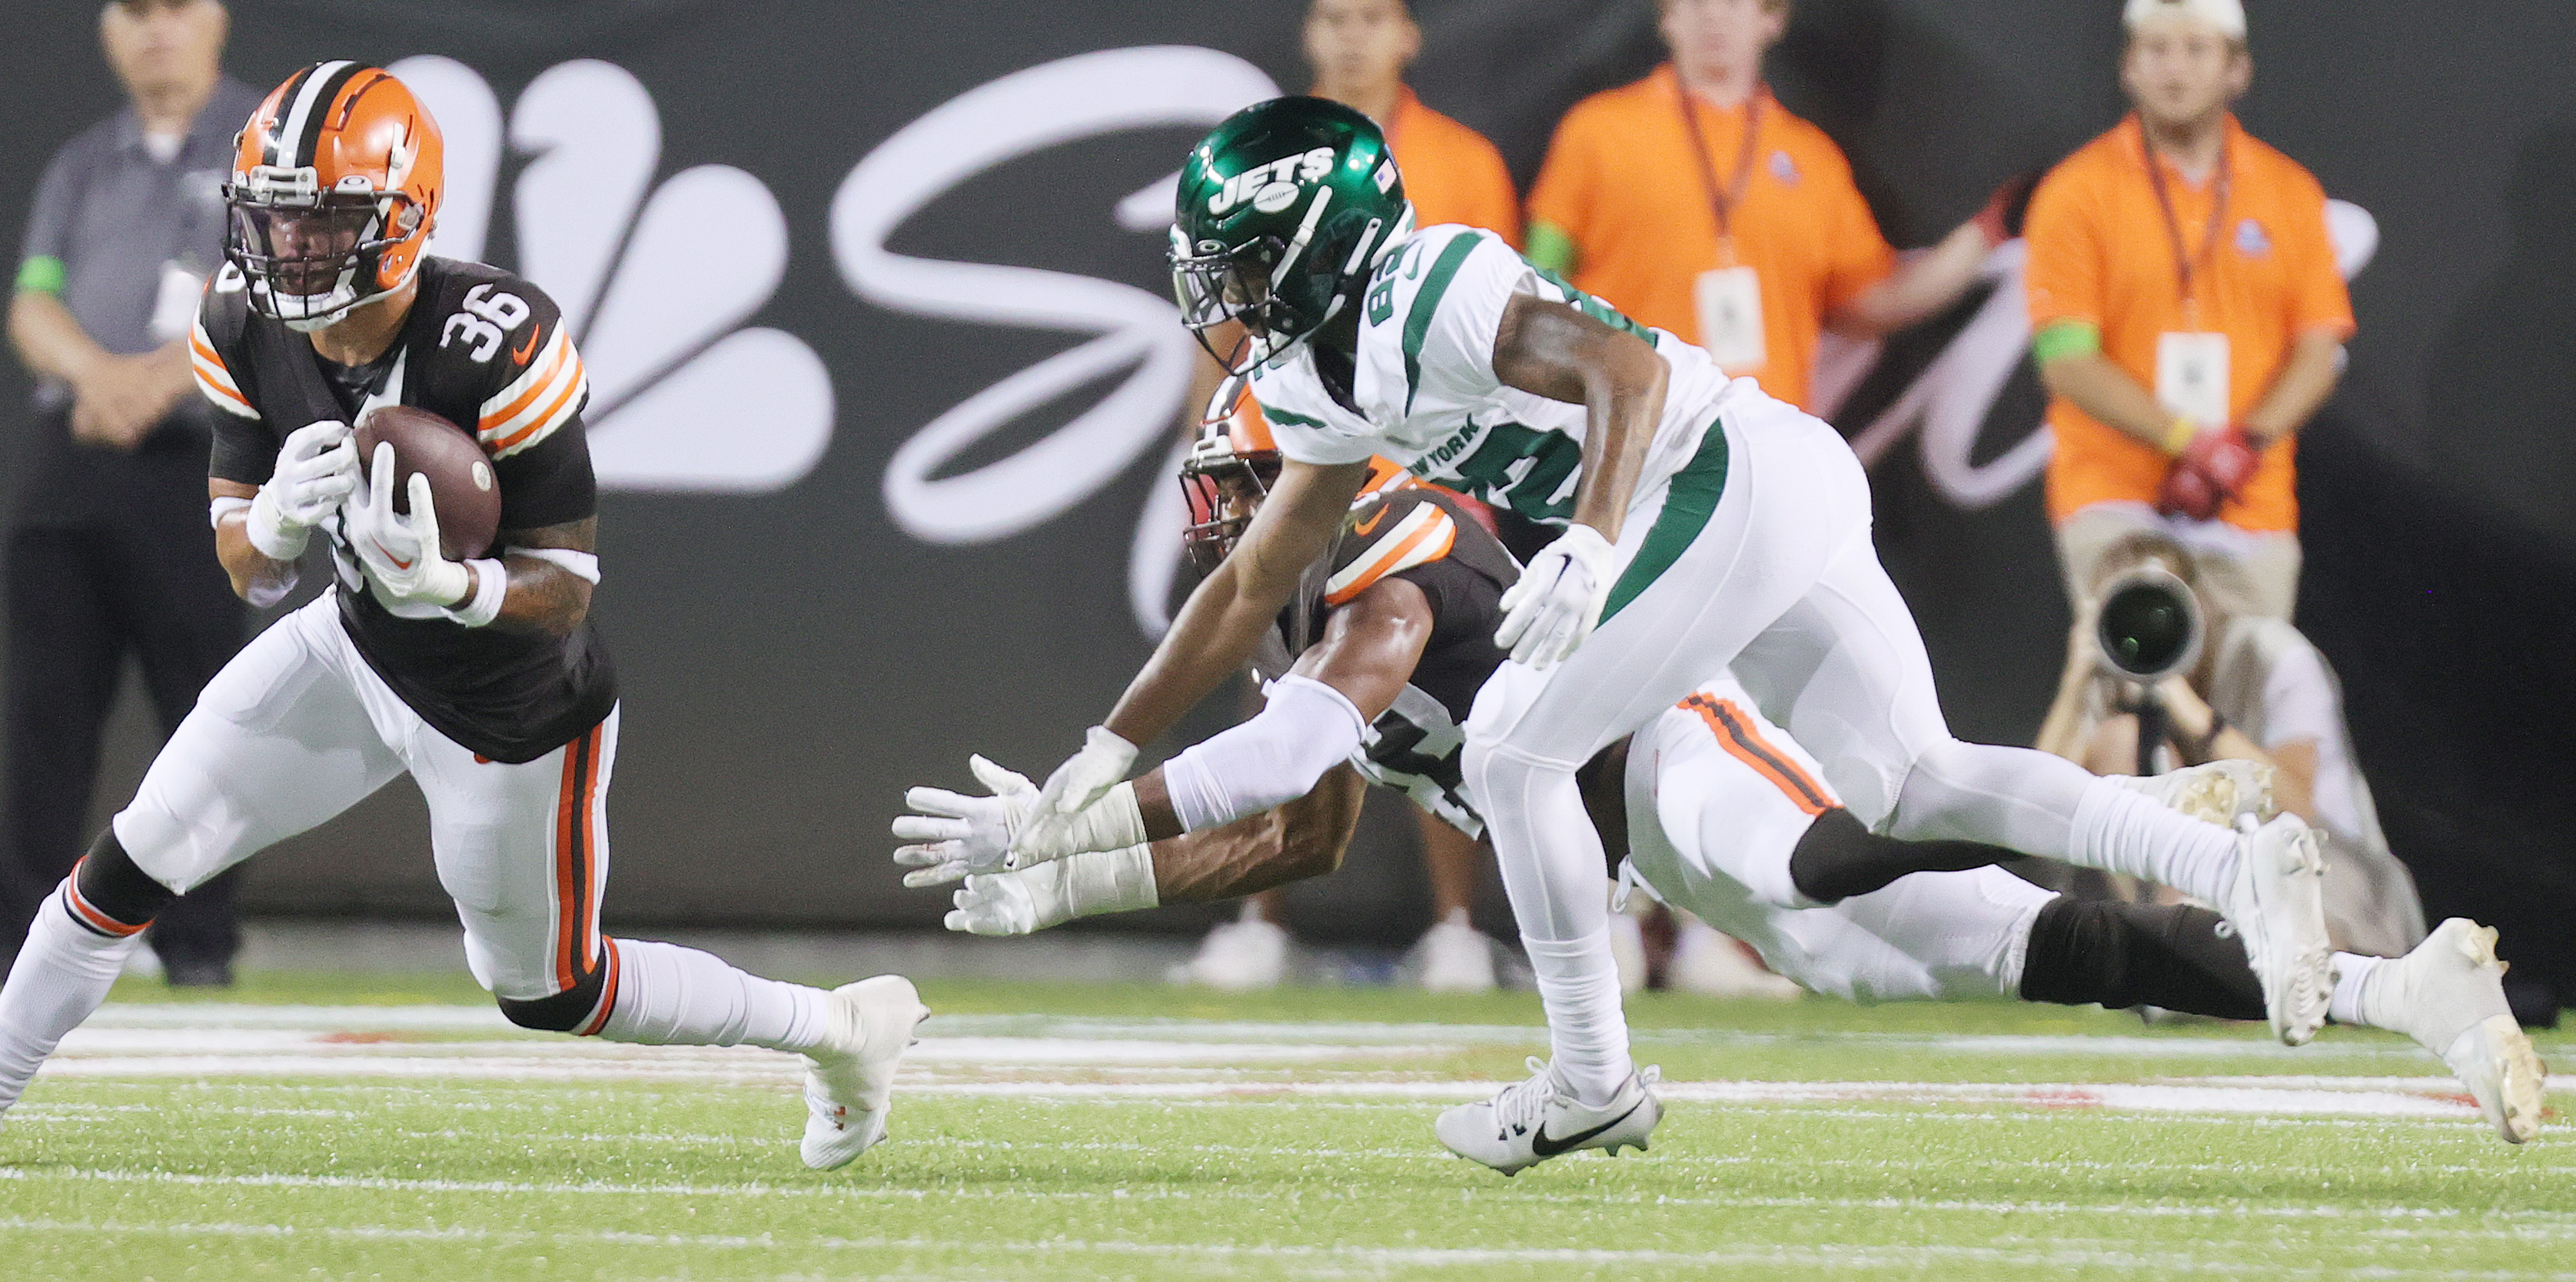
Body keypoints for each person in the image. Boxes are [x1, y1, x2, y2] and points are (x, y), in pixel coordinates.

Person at [997, 96, 2337, 1175]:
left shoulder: (1432, 284)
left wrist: (1584, 539)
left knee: (1519, 748)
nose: (1212, 293)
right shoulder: (1312, 374)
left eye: (1230, 262)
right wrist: (1110, 745)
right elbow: (1247, 587)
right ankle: (2222, 862)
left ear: (1315, 243)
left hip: (1716, 473)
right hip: (1754, 483)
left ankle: (1591, 1080)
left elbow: (1628, 375)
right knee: (1916, 780)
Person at [0, 63, 923, 1174]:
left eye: (326, 223)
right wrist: (278, 524)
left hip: (509, 710)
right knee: (132, 857)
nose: (292, 250)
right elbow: (243, 560)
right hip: (357, 646)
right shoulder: (238, 319)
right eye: (274, 222)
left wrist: (455, 588)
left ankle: (836, 1030)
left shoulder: (497, 340)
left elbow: (566, 585)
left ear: (404, 216)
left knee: (553, 991)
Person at [892, 408, 2544, 1148]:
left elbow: (1302, 750)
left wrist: (1083, 811)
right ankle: (2409, 994)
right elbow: (1308, 833)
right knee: (2009, 952)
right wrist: (1080, 887)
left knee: (1846, 845)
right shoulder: (1318, 619)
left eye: (1239, 491)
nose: (1220, 525)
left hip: (1671, 750)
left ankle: (2198, 848)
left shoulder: (1391, 569)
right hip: (1651, 854)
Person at [1172, 0, 1526, 995]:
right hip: (1293, 443)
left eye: (1374, 16)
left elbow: (1494, 317)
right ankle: (1257, 919)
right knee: (1284, 683)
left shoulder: (1464, 157)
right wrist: (1206, 446)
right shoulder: (1260, 155)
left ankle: (1456, 927)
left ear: (1409, 35)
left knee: (1441, 685)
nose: (1354, 36)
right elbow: (1229, 322)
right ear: (1309, 34)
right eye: (1336, 15)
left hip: (1423, 450)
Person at [0, 0, 260, 990]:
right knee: (47, 710)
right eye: (134, 10)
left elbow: (270, 290)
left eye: (175, 8)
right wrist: (96, 378)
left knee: (209, 718)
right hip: (76, 456)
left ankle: (198, 945)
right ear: (107, 30)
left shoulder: (269, 148)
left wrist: (156, 378)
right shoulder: (82, 163)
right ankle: (11, 937)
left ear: (217, 19)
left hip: (203, 459)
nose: (155, 28)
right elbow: (34, 297)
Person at [2024, 0, 2352, 626]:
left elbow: (2321, 351)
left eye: (2197, 50)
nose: (2175, 70)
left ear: (2238, 70)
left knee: (2241, 707)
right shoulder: (2076, 190)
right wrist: (2188, 441)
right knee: (2131, 699)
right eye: (2156, 49)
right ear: (2128, 68)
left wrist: (2243, 444)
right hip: (2114, 496)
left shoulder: (2289, 191)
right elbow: (2065, 359)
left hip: (2249, 505)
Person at [1524, 0, 2013, 414]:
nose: (1714, 15)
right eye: (1694, 0)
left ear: (1772, 19)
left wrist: (1987, 232)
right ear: (1666, 16)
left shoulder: (1812, 159)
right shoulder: (1596, 132)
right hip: (1627, 433)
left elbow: (1873, 300)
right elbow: (1537, 281)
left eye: (1735, 1)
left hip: (1766, 442)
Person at [2037, 531, 2427, 957]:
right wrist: (2074, 687)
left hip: (2334, 881)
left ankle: (2221, 962)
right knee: (2119, 739)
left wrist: (2194, 714)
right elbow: (2032, 820)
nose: (2147, 627)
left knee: (2298, 950)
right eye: (2126, 610)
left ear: (2202, 604)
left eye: (2164, 606)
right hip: (2207, 899)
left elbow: (2299, 810)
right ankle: (2179, 948)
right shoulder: (2113, 667)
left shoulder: (2271, 654)